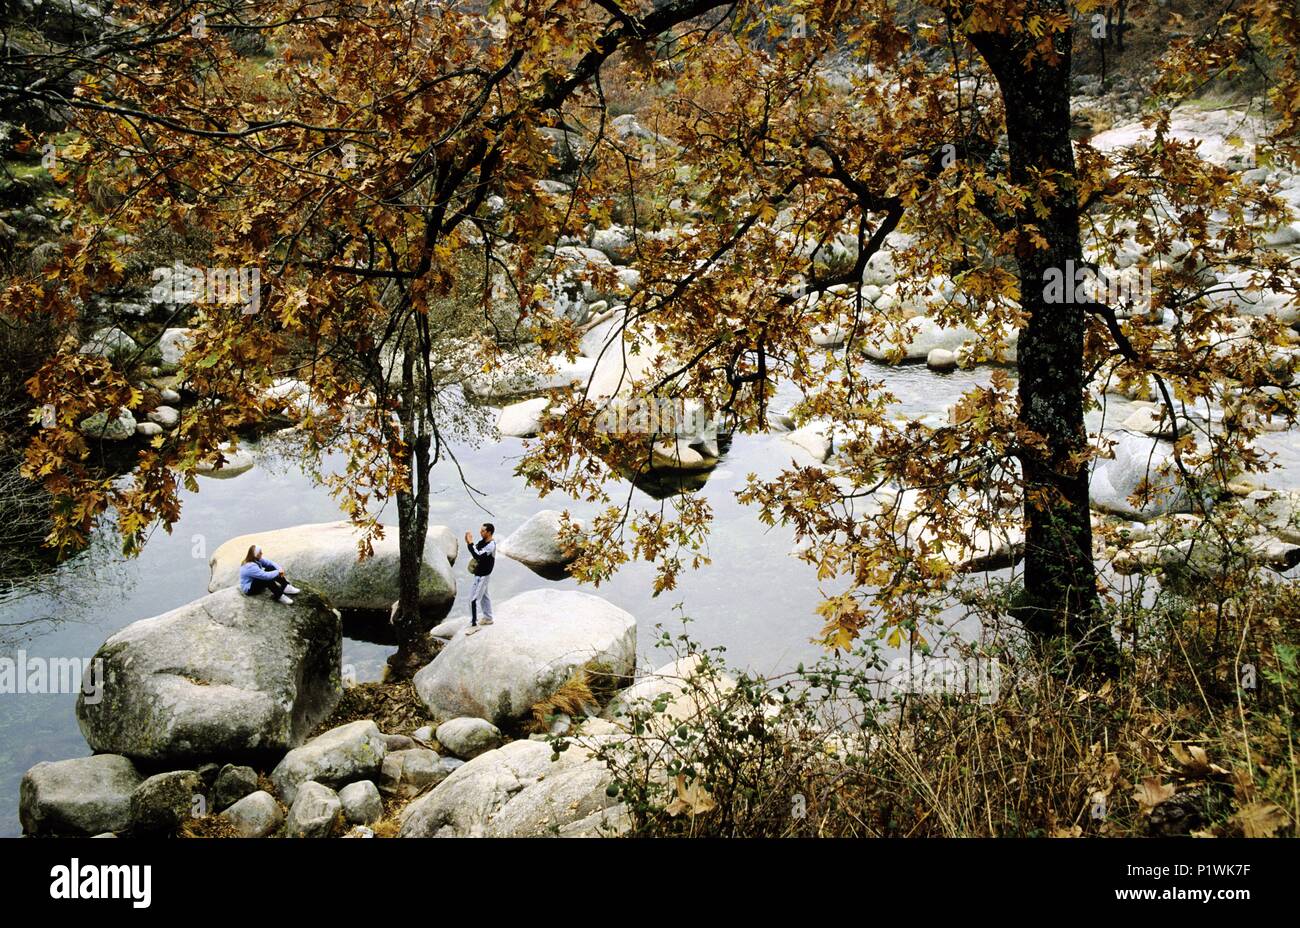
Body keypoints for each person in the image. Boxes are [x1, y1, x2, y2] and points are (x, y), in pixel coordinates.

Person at [464, 523, 496, 633]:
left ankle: (474, 625)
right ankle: (488, 618)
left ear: (489, 532)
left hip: (483, 576)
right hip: (479, 574)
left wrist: (470, 543)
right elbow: (475, 551)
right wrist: (469, 543)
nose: (480, 532)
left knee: (473, 600)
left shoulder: (491, 545)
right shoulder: (483, 542)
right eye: (480, 530)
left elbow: (478, 555)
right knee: (484, 597)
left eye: (483, 531)